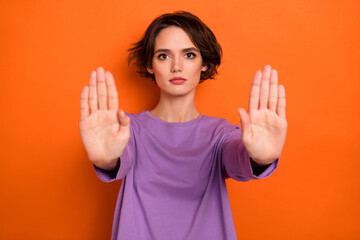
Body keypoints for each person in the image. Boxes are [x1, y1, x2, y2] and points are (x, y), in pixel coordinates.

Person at [79, 11, 287, 240]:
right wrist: (105, 160)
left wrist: (260, 159)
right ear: (150, 65)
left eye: (188, 55)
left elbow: (237, 157)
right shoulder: (128, 130)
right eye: (163, 56)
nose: (176, 66)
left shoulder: (220, 135)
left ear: (204, 64)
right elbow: (119, 156)